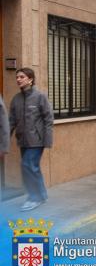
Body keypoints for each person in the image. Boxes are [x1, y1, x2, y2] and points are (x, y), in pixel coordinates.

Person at [9, 68, 54, 212]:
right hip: (23, 140)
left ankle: (34, 198)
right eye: (17, 77)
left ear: (30, 79)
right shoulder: (16, 99)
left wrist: (47, 140)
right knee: (33, 167)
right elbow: (11, 121)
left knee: (27, 165)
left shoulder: (40, 97)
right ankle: (42, 195)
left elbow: (48, 119)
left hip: (37, 140)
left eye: (22, 77)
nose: (18, 79)